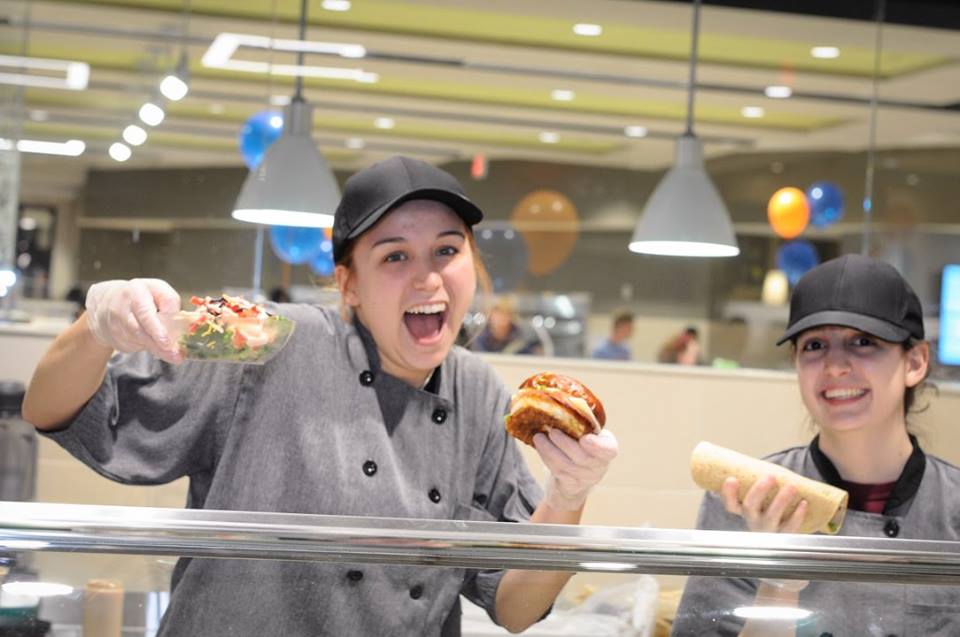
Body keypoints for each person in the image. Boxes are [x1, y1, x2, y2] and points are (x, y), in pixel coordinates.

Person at [22, 156, 618, 637]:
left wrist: (568, 497)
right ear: (348, 283)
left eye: (447, 249)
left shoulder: (479, 393)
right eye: (394, 256)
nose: (427, 277)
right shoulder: (270, 341)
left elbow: (515, 607)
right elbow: (52, 409)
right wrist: (96, 328)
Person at [672, 254, 960, 636]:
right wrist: (778, 580)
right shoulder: (743, 501)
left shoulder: (954, 508)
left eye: (863, 341)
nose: (835, 366)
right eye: (813, 345)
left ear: (915, 362)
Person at [471, 297, 541, 355]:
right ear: (490, 316)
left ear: (511, 317)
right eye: (498, 313)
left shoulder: (522, 339)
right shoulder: (480, 338)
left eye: (505, 314)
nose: (501, 318)